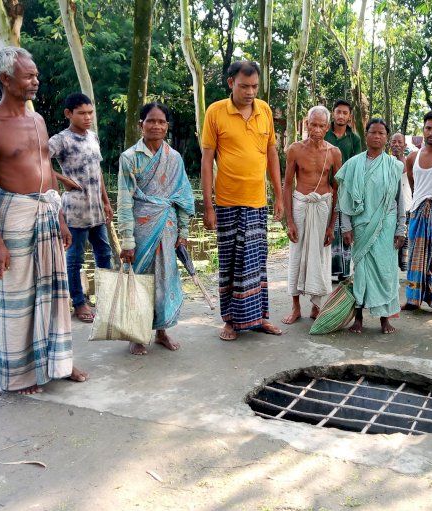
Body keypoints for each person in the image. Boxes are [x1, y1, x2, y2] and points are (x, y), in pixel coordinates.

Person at [0, 47, 87, 394]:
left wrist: (62, 218)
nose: (36, 80)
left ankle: (59, 362)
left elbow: (45, 170)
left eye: (36, 74)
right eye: (29, 75)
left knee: (55, 291)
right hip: (15, 213)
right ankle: (19, 374)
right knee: (18, 296)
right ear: (6, 79)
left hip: (48, 210)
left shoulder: (37, 120)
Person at [201, 60, 284, 341]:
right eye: (244, 86)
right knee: (231, 263)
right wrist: (208, 205)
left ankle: (259, 317)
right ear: (230, 83)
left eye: (255, 86)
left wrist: (279, 194)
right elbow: (207, 159)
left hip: (257, 202)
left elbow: (271, 154)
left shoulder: (265, 111)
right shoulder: (215, 112)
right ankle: (230, 321)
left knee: (256, 263)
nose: (250, 92)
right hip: (226, 202)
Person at [118, 102, 195, 355]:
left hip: (168, 228)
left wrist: (183, 234)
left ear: (167, 126)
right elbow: (124, 200)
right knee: (140, 281)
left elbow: (183, 198)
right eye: (151, 121)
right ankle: (137, 334)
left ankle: (162, 331)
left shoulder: (174, 158)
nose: (156, 126)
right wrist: (127, 240)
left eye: (161, 122)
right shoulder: (129, 158)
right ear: (141, 124)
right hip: (141, 230)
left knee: (165, 279)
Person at [336, 118, 407, 334]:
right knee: (361, 272)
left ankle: (385, 319)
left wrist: (400, 228)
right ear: (365, 135)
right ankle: (359, 317)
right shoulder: (353, 164)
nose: (377, 136)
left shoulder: (394, 166)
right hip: (361, 227)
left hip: (386, 226)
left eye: (382, 133)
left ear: (387, 138)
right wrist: (346, 227)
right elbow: (344, 199)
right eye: (373, 132)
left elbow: (399, 198)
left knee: (386, 273)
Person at [48, 92, 113, 324]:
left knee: (104, 255)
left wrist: (106, 201)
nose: (87, 117)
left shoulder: (93, 137)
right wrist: (61, 179)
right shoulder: (61, 140)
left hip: (96, 209)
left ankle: (107, 298)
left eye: (90, 113)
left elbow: (98, 173)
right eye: (82, 113)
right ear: (68, 114)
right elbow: (37, 160)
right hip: (74, 210)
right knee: (75, 259)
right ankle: (79, 302)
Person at [281, 106, 342, 324]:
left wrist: (331, 226)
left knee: (321, 256)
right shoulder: (295, 150)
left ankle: (317, 306)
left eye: (320, 126)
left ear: (327, 127)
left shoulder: (334, 152)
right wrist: (289, 221)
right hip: (300, 204)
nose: (316, 130)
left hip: (323, 207)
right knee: (296, 254)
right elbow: (287, 185)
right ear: (306, 124)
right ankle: (295, 307)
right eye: (312, 124)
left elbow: (337, 190)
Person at [402, 112, 432, 318]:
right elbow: (414, 186)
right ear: (423, 130)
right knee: (415, 256)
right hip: (418, 213)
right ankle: (413, 300)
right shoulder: (412, 157)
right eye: (428, 128)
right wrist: (421, 204)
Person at [325, 100, 362, 281]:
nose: (341, 116)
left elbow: (357, 165)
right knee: (327, 227)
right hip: (324, 189)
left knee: (344, 228)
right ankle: (326, 270)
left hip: (345, 190)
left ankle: (344, 271)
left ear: (349, 116)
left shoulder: (354, 139)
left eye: (344, 113)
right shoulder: (324, 134)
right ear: (333, 113)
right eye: (338, 112)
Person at [390, 132, 413, 271]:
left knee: (404, 240)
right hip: (391, 208)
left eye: (400, 142)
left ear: (405, 145)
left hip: (407, 206)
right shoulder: (386, 162)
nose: (397, 145)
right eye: (394, 142)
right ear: (390, 144)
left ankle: (403, 267)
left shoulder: (409, 162)